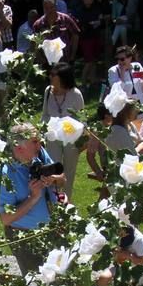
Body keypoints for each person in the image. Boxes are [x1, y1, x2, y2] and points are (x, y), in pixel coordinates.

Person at [0, 123, 68, 286]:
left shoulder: (38, 156)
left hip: (48, 229)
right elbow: (6, 218)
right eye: (34, 141)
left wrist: (53, 181)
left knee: (37, 280)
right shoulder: (4, 176)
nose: (40, 144)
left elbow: (62, 178)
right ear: (18, 147)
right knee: (46, 284)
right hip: (22, 235)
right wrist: (35, 197)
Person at [41, 62, 85, 191]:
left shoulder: (75, 94)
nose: (50, 76)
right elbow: (44, 114)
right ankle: (54, 201)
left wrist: (83, 139)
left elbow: (82, 118)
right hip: (53, 137)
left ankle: (66, 202)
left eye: (54, 75)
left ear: (62, 78)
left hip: (71, 139)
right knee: (52, 170)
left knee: (68, 172)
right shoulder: (48, 91)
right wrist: (42, 131)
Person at [32, 0, 81, 65]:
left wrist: (72, 55)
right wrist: (40, 59)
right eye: (46, 8)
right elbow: (34, 43)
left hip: (65, 61)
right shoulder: (38, 24)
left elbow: (76, 35)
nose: (49, 10)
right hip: (46, 63)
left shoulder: (65, 19)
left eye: (51, 7)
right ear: (43, 8)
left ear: (56, 6)